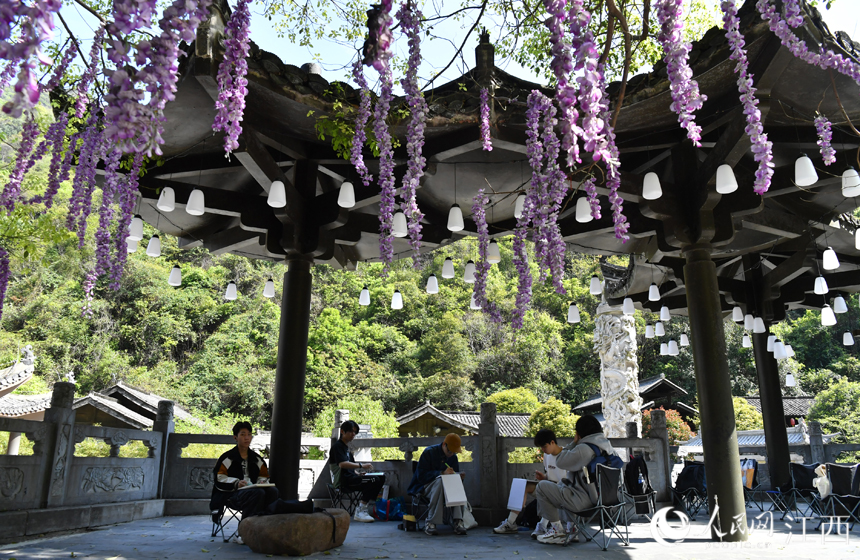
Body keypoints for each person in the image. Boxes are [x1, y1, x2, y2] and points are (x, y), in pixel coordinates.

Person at [533, 415, 621, 545]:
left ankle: (557, 531)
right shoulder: (609, 449)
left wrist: (573, 443)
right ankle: (571, 527)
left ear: (579, 433)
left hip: (585, 502)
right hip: (609, 500)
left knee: (542, 487)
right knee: (566, 483)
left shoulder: (584, 449)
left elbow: (561, 461)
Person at [493, 428, 566, 537]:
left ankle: (542, 526)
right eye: (541, 447)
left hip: (562, 490)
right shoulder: (547, 455)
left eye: (544, 446)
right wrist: (543, 477)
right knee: (522, 485)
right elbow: (549, 476)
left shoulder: (567, 455)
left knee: (546, 492)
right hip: (548, 486)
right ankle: (510, 522)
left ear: (552, 442)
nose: (543, 450)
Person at [211, 421, 279, 522]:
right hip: (232, 495)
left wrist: (261, 482)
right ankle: (245, 529)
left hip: (254, 490)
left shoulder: (257, 459)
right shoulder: (227, 458)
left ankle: (265, 524)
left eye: (249, 435)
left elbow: (264, 475)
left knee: (273, 491)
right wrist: (237, 483)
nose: (247, 438)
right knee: (258, 493)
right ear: (235, 437)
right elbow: (219, 477)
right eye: (243, 435)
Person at [407, 433, 468, 536]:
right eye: (450, 451)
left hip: (447, 489)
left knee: (454, 481)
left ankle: (458, 520)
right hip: (426, 487)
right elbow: (421, 476)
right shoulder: (429, 452)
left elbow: (454, 475)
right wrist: (441, 473)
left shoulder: (453, 457)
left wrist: (459, 477)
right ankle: (431, 521)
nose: (451, 454)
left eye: (454, 452)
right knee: (441, 480)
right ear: (444, 444)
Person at [329, 420, 386, 523]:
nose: (353, 434)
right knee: (374, 480)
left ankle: (366, 505)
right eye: (350, 431)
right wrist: (361, 466)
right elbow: (342, 464)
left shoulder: (347, 449)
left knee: (381, 477)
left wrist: (359, 474)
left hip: (351, 478)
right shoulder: (337, 447)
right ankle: (361, 510)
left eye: (355, 432)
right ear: (342, 431)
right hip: (343, 482)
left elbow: (350, 469)